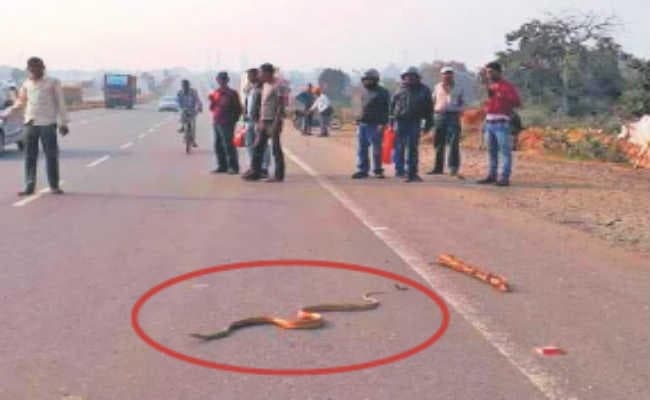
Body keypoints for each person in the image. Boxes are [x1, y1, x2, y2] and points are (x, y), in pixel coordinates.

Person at [0, 57, 69, 196]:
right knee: (29, 156)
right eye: (32, 68)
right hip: (30, 123)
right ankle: (29, 186)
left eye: (37, 67)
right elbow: (20, 101)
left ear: (43, 68)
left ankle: (54, 186)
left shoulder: (53, 82)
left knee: (51, 155)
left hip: (47, 124)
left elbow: (60, 103)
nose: (35, 70)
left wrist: (63, 123)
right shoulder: (26, 84)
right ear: (28, 69)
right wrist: (7, 113)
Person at [477, 61, 521, 187]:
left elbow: (517, 102)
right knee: (491, 151)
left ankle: (504, 177)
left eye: (491, 72)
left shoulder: (507, 86)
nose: (488, 74)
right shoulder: (490, 86)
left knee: (505, 151)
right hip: (489, 122)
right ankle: (492, 175)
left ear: (498, 72)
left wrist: (501, 95)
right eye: (487, 72)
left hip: (501, 122)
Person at [243, 63, 286, 182]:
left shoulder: (278, 85)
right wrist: (260, 121)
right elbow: (262, 105)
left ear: (267, 73)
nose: (259, 75)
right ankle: (255, 172)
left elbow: (280, 106)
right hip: (264, 121)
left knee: (276, 149)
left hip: (273, 121)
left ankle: (278, 175)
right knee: (258, 147)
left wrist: (276, 123)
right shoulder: (265, 85)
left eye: (261, 73)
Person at [390, 66, 434, 182]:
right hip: (400, 121)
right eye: (407, 76)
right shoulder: (399, 89)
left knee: (412, 147)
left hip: (415, 122)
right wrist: (391, 123)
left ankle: (412, 173)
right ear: (403, 78)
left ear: (417, 77)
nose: (409, 78)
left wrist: (429, 123)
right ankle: (399, 171)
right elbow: (392, 106)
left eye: (412, 76)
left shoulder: (424, 90)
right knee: (399, 147)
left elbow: (429, 108)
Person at [352, 69, 390, 179]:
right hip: (362, 124)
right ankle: (362, 170)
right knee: (362, 148)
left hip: (375, 124)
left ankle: (378, 170)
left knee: (376, 149)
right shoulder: (359, 91)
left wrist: (383, 123)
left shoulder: (382, 92)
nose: (366, 81)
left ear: (375, 80)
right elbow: (356, 106)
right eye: (365, 79)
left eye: (369, 79)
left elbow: (386, 109)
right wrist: (357, 120)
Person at [430, 66, 465, 177]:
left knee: (454, 142)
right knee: (438, 142)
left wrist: (459, 109)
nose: (447, 75)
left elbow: (462, 102)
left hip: (453, 116)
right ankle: (438, 168)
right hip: (439, 115)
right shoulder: (437, 87)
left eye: (449, 73)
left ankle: (453, 168)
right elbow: (433, 100)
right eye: (445, 73)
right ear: (442, 75)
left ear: (453, 75)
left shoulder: (459, 87)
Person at [208, 71, 242, 174]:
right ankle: (222, 166)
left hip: (227, 122)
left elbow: (238, 108)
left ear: (227, 80)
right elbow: (212, 108)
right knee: (218, 145)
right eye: (220, 79)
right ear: (217, 80)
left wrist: (233, 120)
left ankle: (233, 167)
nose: (222, 81)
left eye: (224, 79)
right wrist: (212, 101)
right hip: (217, 121)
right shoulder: (216, 92)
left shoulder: (232, 93)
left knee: (228, 145)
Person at [242, 68, 270, 177]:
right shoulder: (250, 88)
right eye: (248, 76)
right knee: (249, 143)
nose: (249, 78)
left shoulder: (263, 88)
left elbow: (265, 105)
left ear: (257, 75)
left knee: (262, 144)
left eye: (251, 75)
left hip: (259, 120)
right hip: (249, 120)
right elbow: (247, 102)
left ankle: (264, 167)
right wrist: (245, 113)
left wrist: (262, 120)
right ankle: (253, 166)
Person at [176, 79, 202, 147]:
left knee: (193, 126)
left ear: (189, 85)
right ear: (181, 86)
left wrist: (199, 107)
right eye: (183, 85)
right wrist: (179, 108)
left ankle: (193, 141)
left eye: (186, 85)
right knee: (181, 115)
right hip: (183, 109)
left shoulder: (193, 92)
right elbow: (178, 102)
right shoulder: (179, 92)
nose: (184, 87)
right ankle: (182, 127)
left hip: (192, 110)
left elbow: (198, 100)